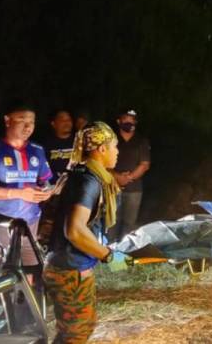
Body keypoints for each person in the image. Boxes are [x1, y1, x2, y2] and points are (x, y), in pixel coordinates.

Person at [44, 121, 120, 344]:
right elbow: (75, 230)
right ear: (102, 149)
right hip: (70, 269)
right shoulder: (88, 181)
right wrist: (107, 255)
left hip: (67, 265)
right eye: (114, 146)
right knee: (77, 333)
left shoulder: (78, 173)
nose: (117, 152)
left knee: (74, 330)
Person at [0, 101, 52, 265]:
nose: (28, 127)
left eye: (32, 122)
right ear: (7, 120)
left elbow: (46, 181)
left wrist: (46, 191)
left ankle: (23, 292)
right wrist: (19, 194)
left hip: (30, 223)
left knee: (29, 271)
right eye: (22, 120)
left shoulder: (37, 150)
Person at [109, 109, 150, 240]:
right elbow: (102, 164)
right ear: (119, 121)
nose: (129, 122)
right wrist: (118, 177)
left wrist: (128, 178)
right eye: (126, 118)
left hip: (134, 190)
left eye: (132, 119)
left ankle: (123, 252)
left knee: (129, 223)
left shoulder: (141, 140)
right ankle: (107, 251)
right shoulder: (110, 139)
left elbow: (145, 164)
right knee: (111, 222)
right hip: (112, 188)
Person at [44, 109, 74, 184]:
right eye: (62, 120)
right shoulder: (46, 144)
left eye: (68, 119)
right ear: (53, 123)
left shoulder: (80, 141)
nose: (67, 122)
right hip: (55, 187)